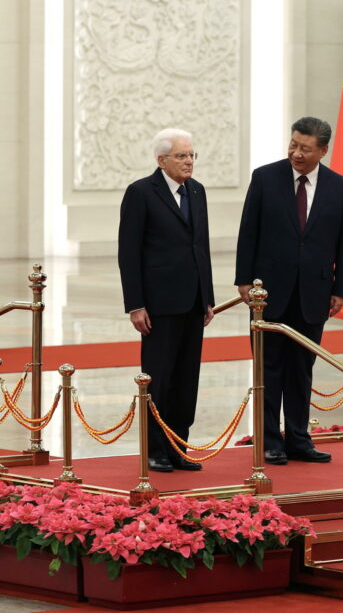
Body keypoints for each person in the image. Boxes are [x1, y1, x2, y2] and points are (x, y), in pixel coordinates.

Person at [235, 116, 343, 465]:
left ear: (322, 150)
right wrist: (244, 279)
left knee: (302, 369)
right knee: (269, 368)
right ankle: (270, 440)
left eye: (305, 148)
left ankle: (299, 439)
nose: (296, 153)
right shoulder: (265, 177)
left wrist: (341, 288)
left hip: (314, 293)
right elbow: (248, 232)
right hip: (268, 292)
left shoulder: (339, 186)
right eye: (293, 144)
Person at [118, 128, 215, 472]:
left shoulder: (198, 191)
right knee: (159, 377)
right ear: (161, 161)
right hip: (158, 304)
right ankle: (155, 449)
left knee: (187, 379)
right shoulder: (141, 193)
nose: (189, 161)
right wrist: (135, 304)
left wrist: (208, 296)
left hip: (193, 301)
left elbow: (200, 246)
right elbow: (128, 253)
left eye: (191, 155)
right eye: (181, 156)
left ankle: (179, 445)